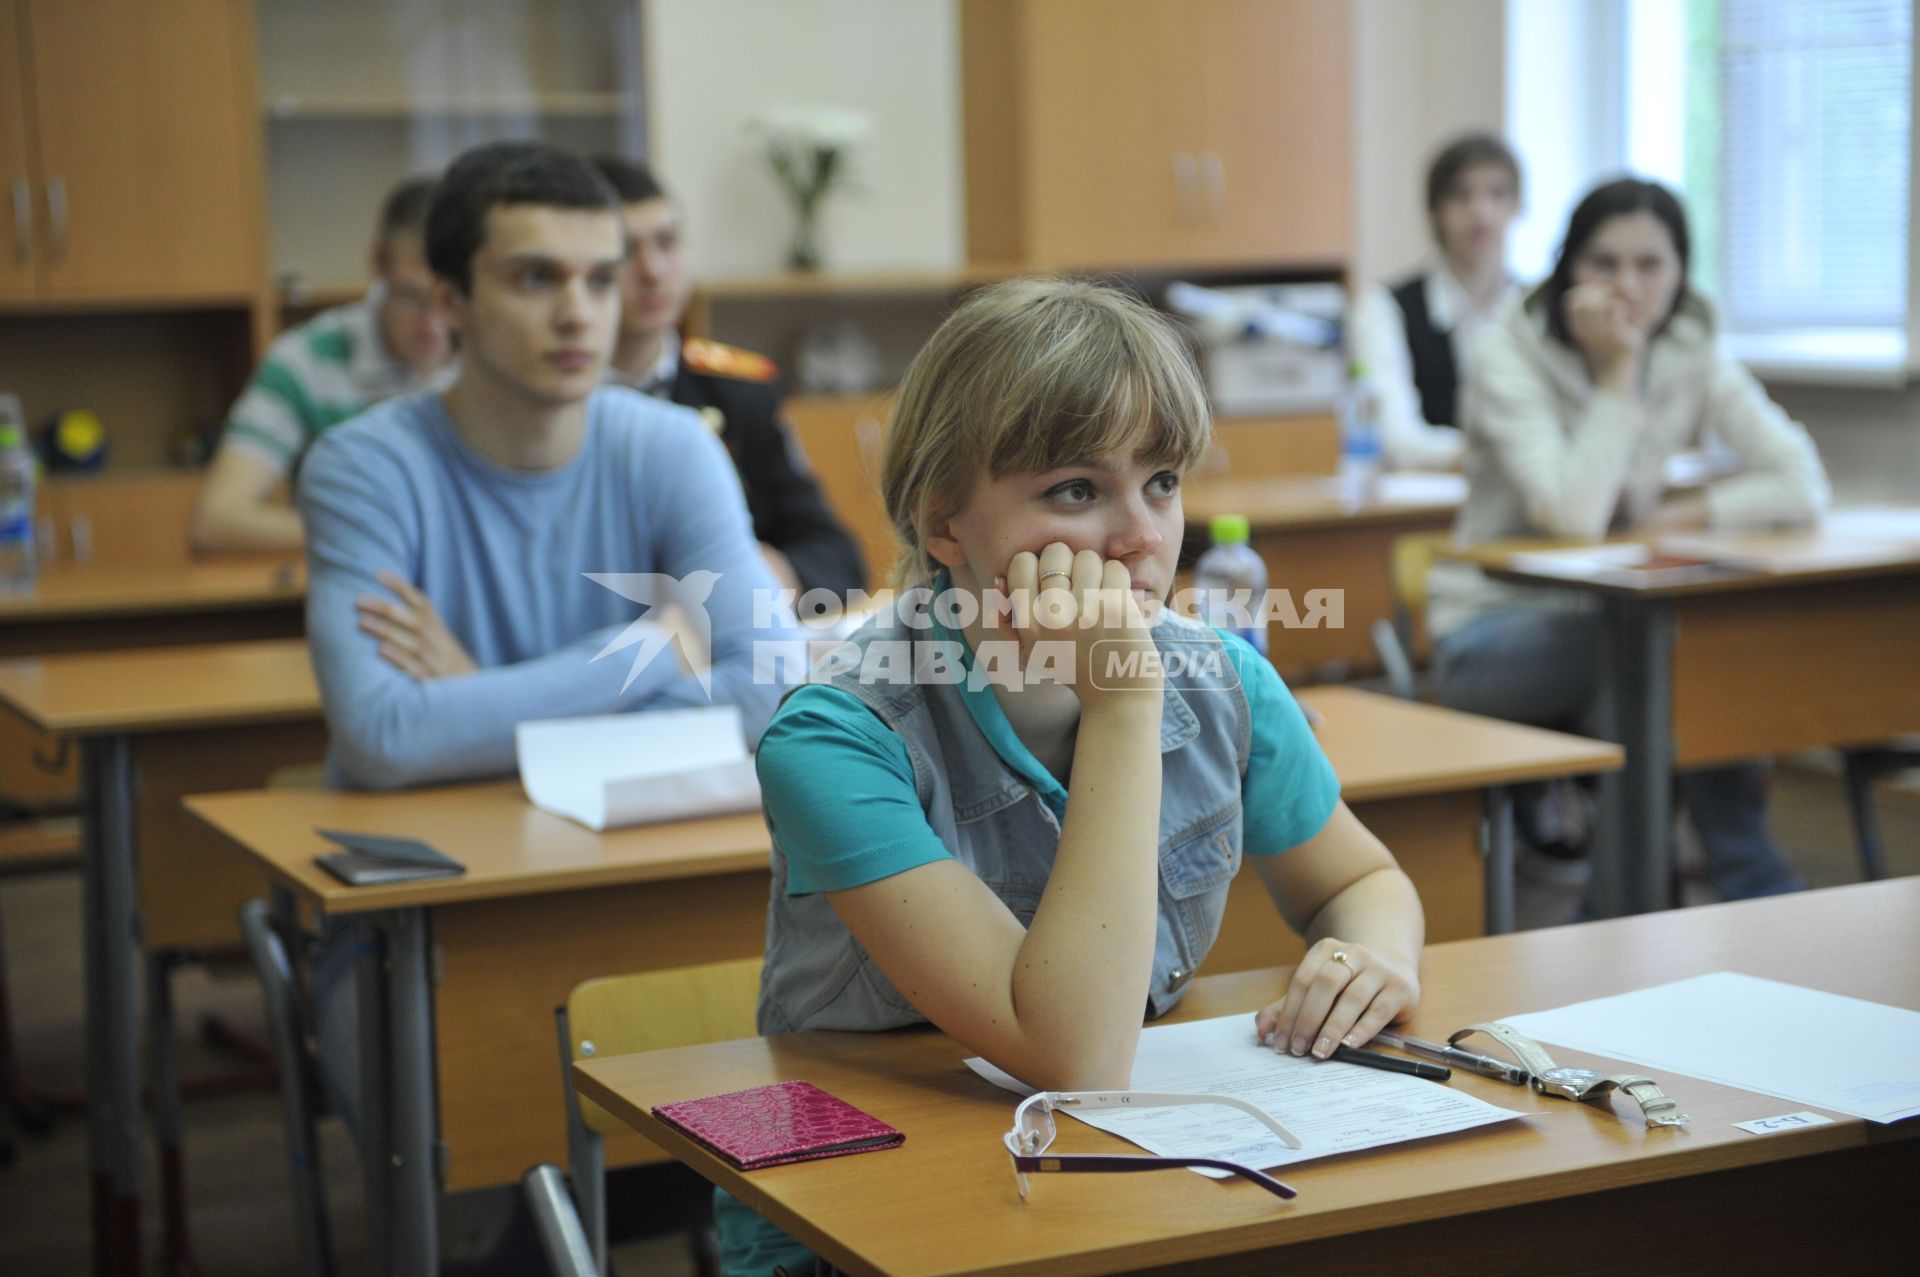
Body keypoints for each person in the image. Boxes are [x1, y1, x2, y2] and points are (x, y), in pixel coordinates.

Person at [723, 278, 1427, 1275]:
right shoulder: (836, 740)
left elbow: (1361, 881)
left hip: (1140, 1178)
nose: (1142, 537)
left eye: (1164, 481)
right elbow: (1076, 1060)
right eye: (1075, 490)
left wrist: (1374, 954)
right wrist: (1125, 704)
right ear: (945, 524)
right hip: (857, 1223)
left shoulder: (1222, 677)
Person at [299, 140, 798, 1131]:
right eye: (535, 278)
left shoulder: (670, 448)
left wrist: (479, 691)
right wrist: (652, 645)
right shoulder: (364, 467)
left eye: (600, 279)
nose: (579, 312)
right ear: (449, 303)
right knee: (467, 1132)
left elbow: (774, 681)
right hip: (431, 913)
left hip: (642, 882)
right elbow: (385, 736)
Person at [1429, 177, 1831, 901]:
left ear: (1680, 273)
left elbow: (1802, 480)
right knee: (1652, 656)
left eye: (1651, 265)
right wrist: (1618, 374)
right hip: (1487, 633)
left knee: (1663, 658)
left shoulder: (1688, 346)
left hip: (1618, 627)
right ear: (1566, 268)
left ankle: (1636, 909)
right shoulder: (1506, 354)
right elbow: (1572, 514)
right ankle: (1736, 882)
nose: (1627, 287)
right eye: (1603, 263)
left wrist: (1684, 516)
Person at [591, 155, 868, 599]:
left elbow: (835, 553)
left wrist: (783, 574)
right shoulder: (556, 403)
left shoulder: (741, 393)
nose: (653, 271)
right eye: (627, 251)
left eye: (667, 243)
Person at [193, 176, 455, 552]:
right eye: (411, 298)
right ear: (378, 262)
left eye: (447, 300)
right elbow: (216, 520)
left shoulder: (495, 360)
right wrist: (377, 543)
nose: (432, 326)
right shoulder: (304, 360)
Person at [1348, 133, 1524, 471]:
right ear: (1435, 209)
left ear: (1517, 205)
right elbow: (1396, 438)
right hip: (1424, 506)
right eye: (1461, 195)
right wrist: (1501, 458)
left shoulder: (1540, 309)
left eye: (1497, 193)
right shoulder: (1385, 309)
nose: (1480, 210)